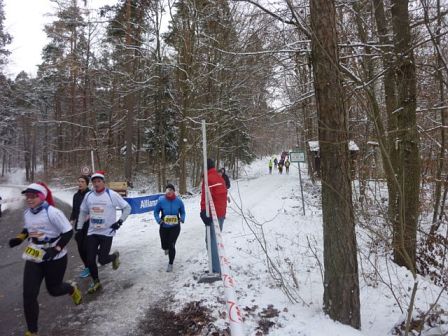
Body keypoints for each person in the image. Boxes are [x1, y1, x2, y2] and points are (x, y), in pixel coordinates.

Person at [8, 182, 82, 336]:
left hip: (56, 258)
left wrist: (55, 250)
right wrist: (19, 238)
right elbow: (28, 229)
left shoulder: (53, 213)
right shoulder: (28, 212)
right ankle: (32, 331)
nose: (29, 199)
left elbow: (68, 232)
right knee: (29, 294)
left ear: (41, 197)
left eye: (33, 196)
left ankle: (71, 288)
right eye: (27, 196)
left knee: (54, 290)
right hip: (34, 255)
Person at [77, 171, 131, 294]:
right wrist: (80, 228)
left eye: (99, 181)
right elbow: (83, 212)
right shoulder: (89, 196)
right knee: (90, 260)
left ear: (103, 182)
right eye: (94, 182)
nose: (96, 184)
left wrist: (119, 222)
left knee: (102, 260)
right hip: (92, 232)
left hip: (107, 232)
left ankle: (114, 256)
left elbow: (127, 208)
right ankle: (96, 281)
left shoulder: (112, 195)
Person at [200, 158, 228, 274]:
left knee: (211, 241)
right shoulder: (219, 178)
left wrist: (203, 212)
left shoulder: (207, 179)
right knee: (215, 240)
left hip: (213, 214)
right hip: (221, 214)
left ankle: (216, 269)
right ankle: (216, 266)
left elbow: (205, 198)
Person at [153, 183, 186, 272]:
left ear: (174, 191)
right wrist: (159, 220)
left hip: (175, 226)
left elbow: (183, 212)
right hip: (164, 226)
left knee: (171, 244)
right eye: (167, 190)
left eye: (171, 190)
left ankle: (170, 263)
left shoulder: (178, 201)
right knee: (164, 245)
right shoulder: (161, 201)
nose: (169, 192)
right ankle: (165, 248)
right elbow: (156, 212)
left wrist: (182, 219)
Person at [70, 175, 91, 278]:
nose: (80, 183)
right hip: (79, 226)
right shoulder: (76, 196)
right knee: (80, 248)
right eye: (79, 181)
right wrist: (71, 220)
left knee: (87, 247)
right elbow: (74, 210)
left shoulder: (91, 195)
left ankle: (89, 267)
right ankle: (87, 266)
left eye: (82, 182)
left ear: (87, 183)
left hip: (90, 226)